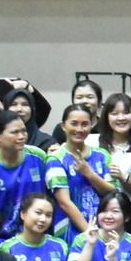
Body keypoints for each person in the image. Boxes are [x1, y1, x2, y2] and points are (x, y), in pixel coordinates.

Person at [46, 103, 113, 241]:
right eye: (74, 123)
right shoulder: (55, 158)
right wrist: (90, 232)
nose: (79, 129)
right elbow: (64, 202)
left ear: (91, 125)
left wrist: (90, 174)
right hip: (69, 231)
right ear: (63, 126)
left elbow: (112, 191)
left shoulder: (102, 155)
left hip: (103, 227)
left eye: (84, 124)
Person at [0, 108, 50, 226]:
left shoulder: (38, 156)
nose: (21, 136)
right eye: (15, 132)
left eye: (24, 131)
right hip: (4, 235)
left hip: (40, 228)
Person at [94, 94, 131, 228]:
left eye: (126, 113)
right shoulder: (91, 142)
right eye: (114, 113)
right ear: (106, 117)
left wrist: (123, 177)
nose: (121, 118)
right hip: (94, 210)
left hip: (126, 214)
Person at [48, 78, 104, 144]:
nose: (84, 101)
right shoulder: (62, 129)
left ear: (99, 101)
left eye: (90, 97)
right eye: (79, 97)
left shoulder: (107, 127)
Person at [4, 87, 54, 152]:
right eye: (14, 104)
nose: (19, 109)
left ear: (32, 109)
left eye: (25, 104)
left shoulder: (47, 142)